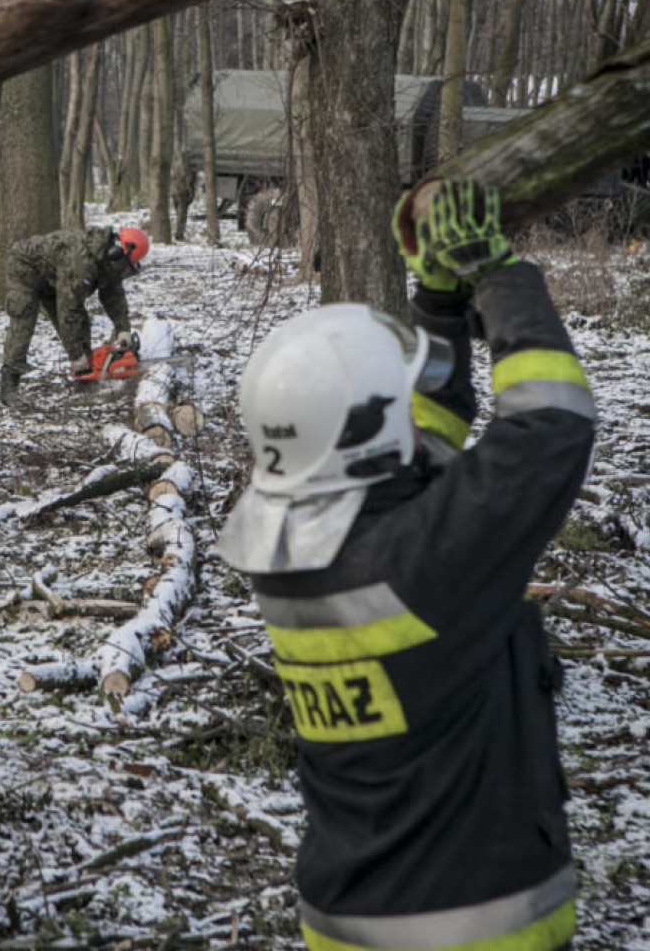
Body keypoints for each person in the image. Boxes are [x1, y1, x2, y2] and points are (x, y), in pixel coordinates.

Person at [217, 178, 596, 951]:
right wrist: (497, 273)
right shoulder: (423, 564)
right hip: (475, 928)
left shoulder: (293, 548)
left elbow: (416, 440)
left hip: (344, 918)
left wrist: (439, 297)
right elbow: (550, 426)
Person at [0, 225, 149, 406]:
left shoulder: (109, 262)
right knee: (24, 320)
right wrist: (76, 355)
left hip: (54, 274)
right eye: (122, 265)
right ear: (115, 252)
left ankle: (85, 376)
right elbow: (69, 311)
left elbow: (113, 295)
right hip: (25, 268)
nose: (121, 269)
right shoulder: (81, 262)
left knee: (81, 322)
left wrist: (123, 329)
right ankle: (8, 386)